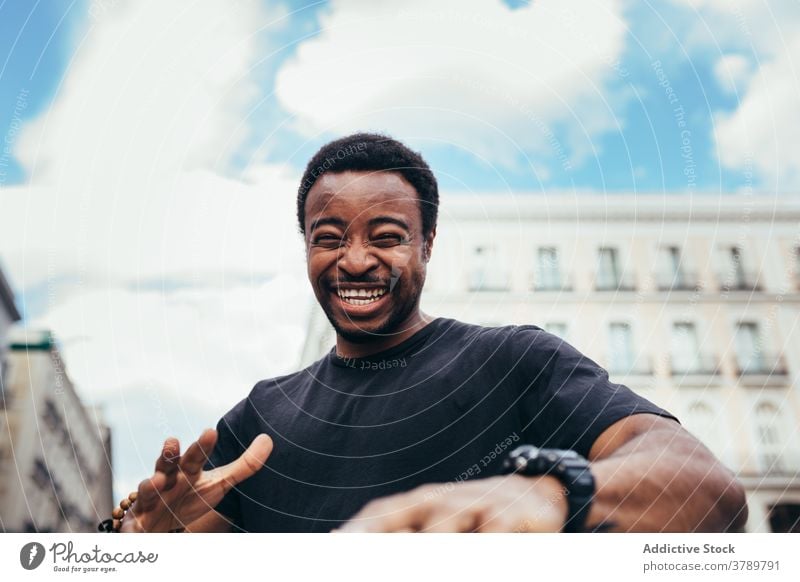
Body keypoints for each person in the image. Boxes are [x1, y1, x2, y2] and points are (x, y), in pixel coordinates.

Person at [120, 133, 747, 533]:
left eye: (387, 237)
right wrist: (138, 544)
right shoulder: (260, 417)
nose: (356, 260)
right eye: (329, 239)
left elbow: (708, 488)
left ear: (427, 245)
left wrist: (554, 494)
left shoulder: (512, 360)